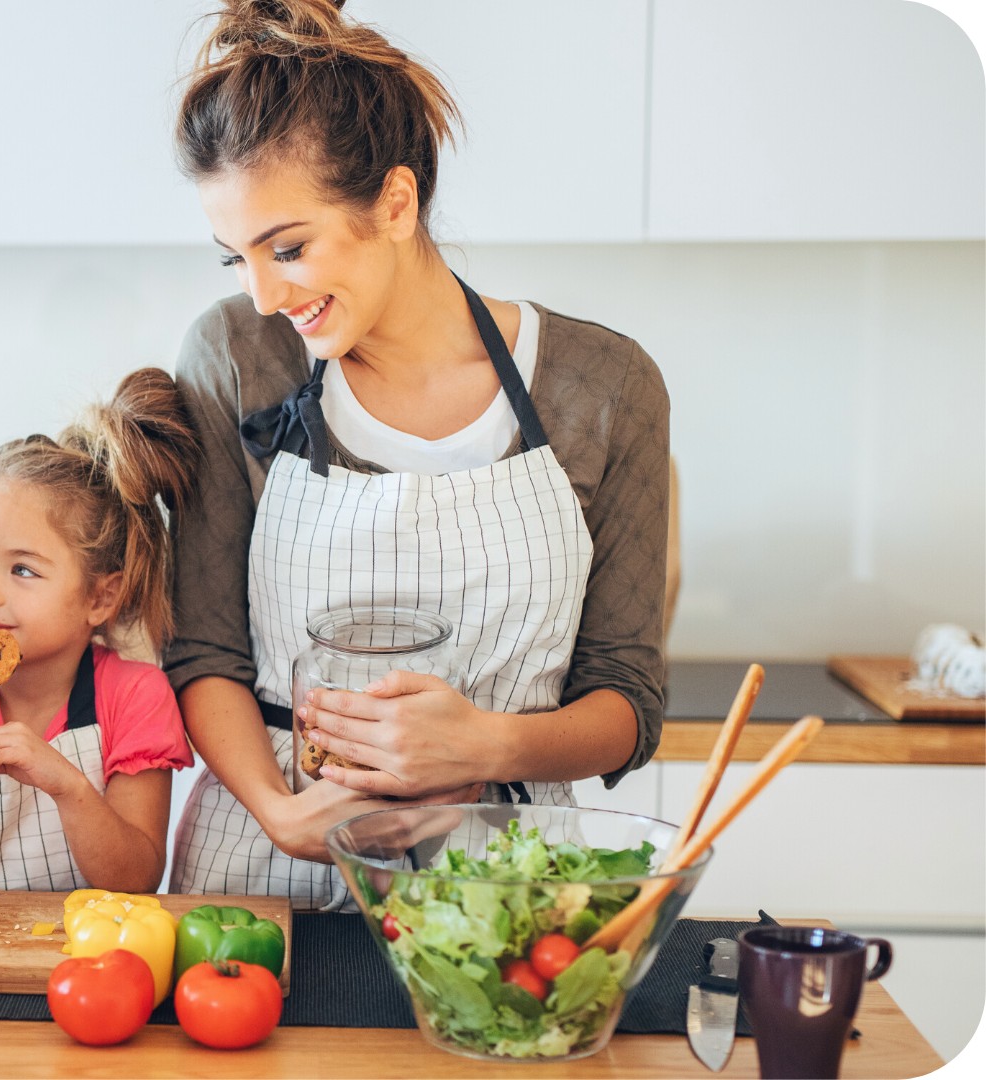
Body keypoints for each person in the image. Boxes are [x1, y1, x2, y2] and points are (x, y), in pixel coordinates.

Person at [164, 0, 671, 909]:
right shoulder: (238, 357)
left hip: (508, 886)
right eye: (234, 258)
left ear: (395, 203)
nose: (265, 293)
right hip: (264, 877)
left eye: (288, 247)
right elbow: (204, 650)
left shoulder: (604, 386)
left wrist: (487, 746)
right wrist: (281, 814)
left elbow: (626, 697)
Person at [0, 369, 201, 893]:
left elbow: (136, 882)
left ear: (100, 597)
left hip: (81, 963)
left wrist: (66, 784)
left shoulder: (134, 695)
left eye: (22, 569)